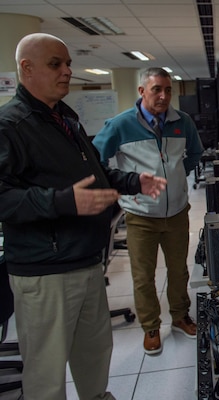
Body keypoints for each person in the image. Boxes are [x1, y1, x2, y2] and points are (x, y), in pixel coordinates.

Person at [0, 33, 167, 400]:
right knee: (47, 375)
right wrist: (63, 202)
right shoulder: (11, 126)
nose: (67, 72)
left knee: (94, 356)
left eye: (68, 63)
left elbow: (96, 174)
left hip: (86, 261)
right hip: (45, 271)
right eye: (55, 64)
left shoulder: (64, 118)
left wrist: (133, 181)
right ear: (26, 68)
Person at [93, 67, 204, 355]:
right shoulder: (119, 125)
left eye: (168, 90)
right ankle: (151, 327)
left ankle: (180, 316)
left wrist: (177, 179)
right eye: (157, 89)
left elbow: (194, 154)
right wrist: (124, 186)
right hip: (141, 216)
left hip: (177, 212)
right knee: (143, 276)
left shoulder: (183, 122)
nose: (164, 96)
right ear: (142, 91)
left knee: (179, 270)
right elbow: (96, 161)